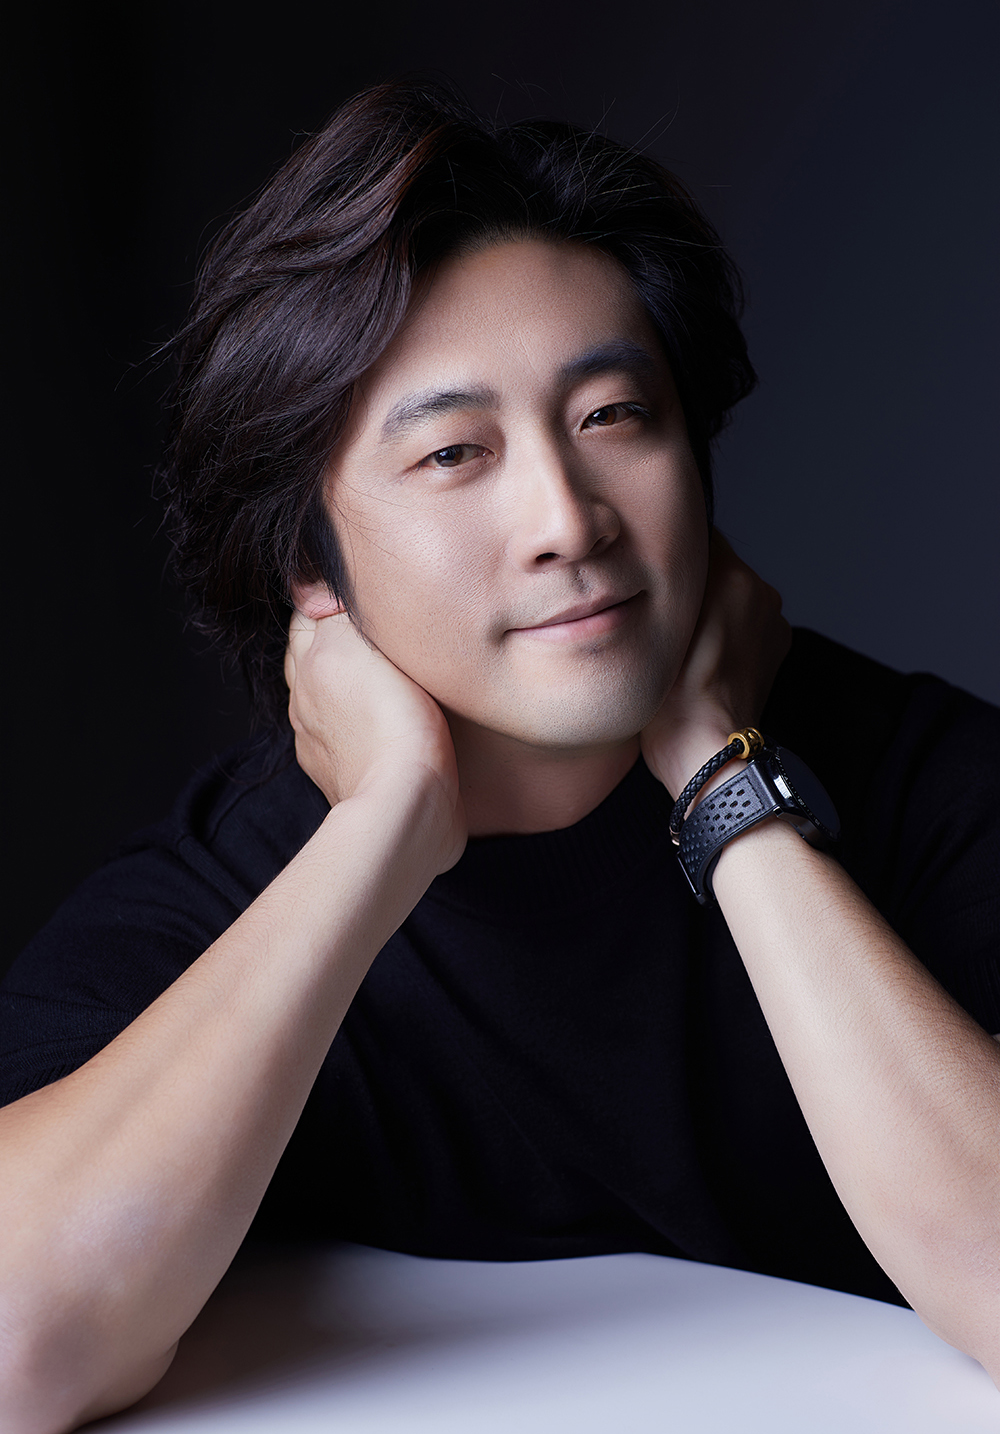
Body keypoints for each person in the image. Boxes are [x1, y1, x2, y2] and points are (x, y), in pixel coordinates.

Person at [2, 77, 999, 1433]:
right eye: (455, 453)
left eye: (612, 416)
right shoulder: (224, 890)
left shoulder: (930, 786)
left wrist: (727, 791)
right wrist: (382, 830)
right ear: (309, 562)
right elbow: (14, 1350)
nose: (567, 521)